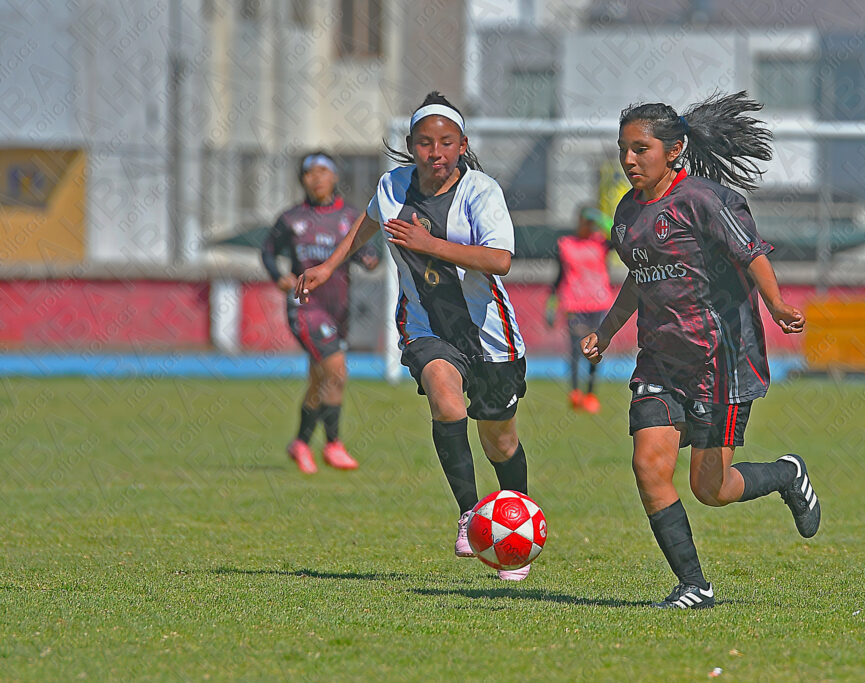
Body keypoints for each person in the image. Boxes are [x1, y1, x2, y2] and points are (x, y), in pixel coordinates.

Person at [581, 92, 820, 610]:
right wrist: (606, 330)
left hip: (722, 362)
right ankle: (695, 584)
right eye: (623, 149)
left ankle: (785, 473)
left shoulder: (706, 200)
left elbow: (750, 253)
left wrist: (777, 305)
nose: (628, 160)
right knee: (648, 467)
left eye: (640, 149)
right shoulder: (625, 213)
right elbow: (637, 280)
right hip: (661, 362)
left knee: (710, 488)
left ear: (674, 150)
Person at [295, 92, 533, 581]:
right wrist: (328, 266)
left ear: (463, 145)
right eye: (425, 143)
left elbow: (501, 260)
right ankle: (470, 512)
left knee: (500, 443)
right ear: (411, 146)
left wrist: (430, 245)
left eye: (447, 143)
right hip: (425, 325)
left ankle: (519, 526)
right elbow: (368, 220)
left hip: (490, 335)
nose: (436, 153)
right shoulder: (392, 185)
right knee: (447, 403)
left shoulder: (482, 192)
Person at [261, 151, 379, 474]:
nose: (317, 178)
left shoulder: (350, 217)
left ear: (335, 176)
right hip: (305, 307)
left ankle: (300, 442)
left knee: (319, 380)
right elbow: (268, 252)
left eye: (323, 171)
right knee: (337, 372)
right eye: (310, 173)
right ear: (302, 180)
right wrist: (278, 276)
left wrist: (369, 258)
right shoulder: (291, 219)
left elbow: (365, 249)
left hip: (338, 309)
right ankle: (333, 444)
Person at [546, 206, 615, 413]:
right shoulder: (566, 244)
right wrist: (551, 304)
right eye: (584, 221)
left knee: (596, 350)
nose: (586, 225)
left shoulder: (602, 243)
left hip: (599, 302)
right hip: (574, 304)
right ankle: (575, 392)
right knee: (576, 350)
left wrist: (602, 218)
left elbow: (621, 234)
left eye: (589, 222)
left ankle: (591, 394)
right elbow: (558, 277)